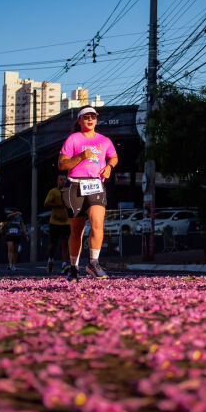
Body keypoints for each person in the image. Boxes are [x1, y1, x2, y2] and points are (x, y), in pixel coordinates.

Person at [58, 106, 118, 281]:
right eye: (86, 117)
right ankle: (74, 267)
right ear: (80, 121)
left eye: (93, 116)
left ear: (97, 119)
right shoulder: (73, 139)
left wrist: (109, 167)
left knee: (98, 222)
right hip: (76, 185)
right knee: (77, 230)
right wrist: (81, 157)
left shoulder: (104, 140)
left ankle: (93, 262)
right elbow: (62, 165)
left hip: (96, 185)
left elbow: (113, 156)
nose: (90, 119)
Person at [43, 174, 71, 274]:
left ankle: (64, 264)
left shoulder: (68, 191)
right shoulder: (53, 191)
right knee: (53, 244)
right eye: (61, 179)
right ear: (57, 181)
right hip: (54, 222)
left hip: (66, 222)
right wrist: (57, 205)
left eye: (64, 179)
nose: (63, 181)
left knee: (65, 244)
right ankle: (50, 259)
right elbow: (46, 203)